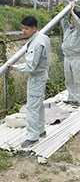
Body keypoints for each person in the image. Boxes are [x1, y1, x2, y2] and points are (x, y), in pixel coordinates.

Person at [7, 16, 51, 148]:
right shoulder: (43, 37)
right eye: (22, 28)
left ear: (34, 28)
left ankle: (32, 137)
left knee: (32, 107)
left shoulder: (36, 43)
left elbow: (31, 66)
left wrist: (14, 67)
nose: (23, 31)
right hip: (41, 75)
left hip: (37, 78)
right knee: (38, 105)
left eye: (26, 29)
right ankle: (41, 130)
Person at [61, 3, 80, 108]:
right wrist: (67, 9)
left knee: (77, 79)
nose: (72, 21)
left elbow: (79, 23)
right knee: (68, 79)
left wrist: (73, 12)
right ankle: (71, 98)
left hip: (77, 58)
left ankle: (77, 100)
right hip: (67, 57)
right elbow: (62, 19)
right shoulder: (68, 29)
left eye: (74, 19)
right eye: (71, 19)